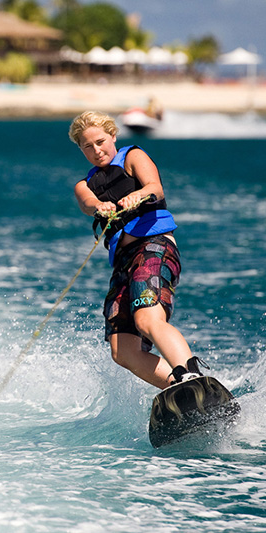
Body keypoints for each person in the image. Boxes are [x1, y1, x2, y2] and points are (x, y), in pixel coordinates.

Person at [69, 110, 206, 389]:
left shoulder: (133, 157)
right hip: (124, 262)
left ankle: (191, 375)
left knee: (147, 318)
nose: (96, 150)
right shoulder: (84, 185)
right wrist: (99, 206)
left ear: (113, 136)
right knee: (123, 350)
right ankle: (179, 390)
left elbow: (156, 189)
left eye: (101, 141)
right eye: (88, 146)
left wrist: (138, 194)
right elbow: (86, 203)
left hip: (154, 247)